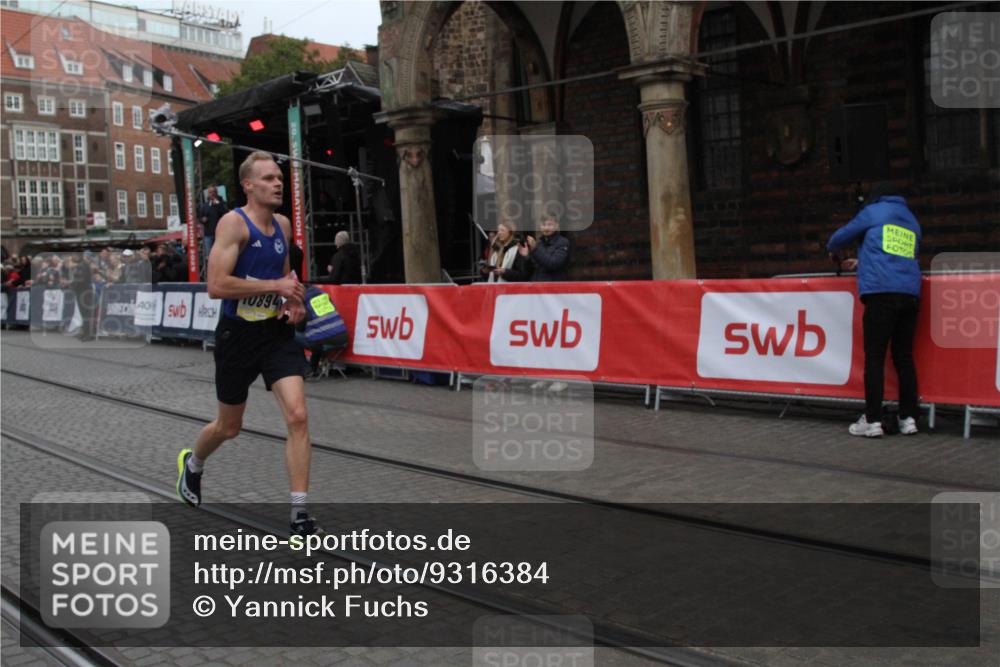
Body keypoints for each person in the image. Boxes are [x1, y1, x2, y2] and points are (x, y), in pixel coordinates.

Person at [176, 151, 320, 537]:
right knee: (229, 427)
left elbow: (287, 279)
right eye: (269, 178)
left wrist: (294, 303)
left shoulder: (283, 226)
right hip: (237, 336)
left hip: (274, 334)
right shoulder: (233, 224)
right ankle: (193, 464)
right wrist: (276, 286)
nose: (278, 183)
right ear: (249, 185)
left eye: (279, 178)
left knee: (298, 416)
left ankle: (300, 514)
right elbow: (216, 286)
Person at [827, 182, 922, 438]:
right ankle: (908, 418)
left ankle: (873, 420)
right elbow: (895, 255)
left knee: (875, 358)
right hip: (910, 294)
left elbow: (838, 238)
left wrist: (832, 250)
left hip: (881, 293)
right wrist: (864, 260)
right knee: (903, 358)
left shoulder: (873, 212)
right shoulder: (911, 220)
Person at [520, 213, 570, 281]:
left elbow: (553, 264)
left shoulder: (563, 242)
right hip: (537, 285)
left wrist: (535, 249)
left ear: (556, 226)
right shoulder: (539, 242)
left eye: (550, 225)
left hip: (553, 285)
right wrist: (527, 256)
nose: (546, 228)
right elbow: (532, 269)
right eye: (543, 224)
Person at [198, 186, 228, 265]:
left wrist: (218, 204)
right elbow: (200, 217)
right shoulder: (205, 205)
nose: (212, 194)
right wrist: (202, 219)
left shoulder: (221, 203)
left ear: (216, 193)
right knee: (210, 256)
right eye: (210, 192)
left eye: (213, 192)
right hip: (208, 234)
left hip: (220, 234)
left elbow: (226, 213)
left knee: (220, 255)